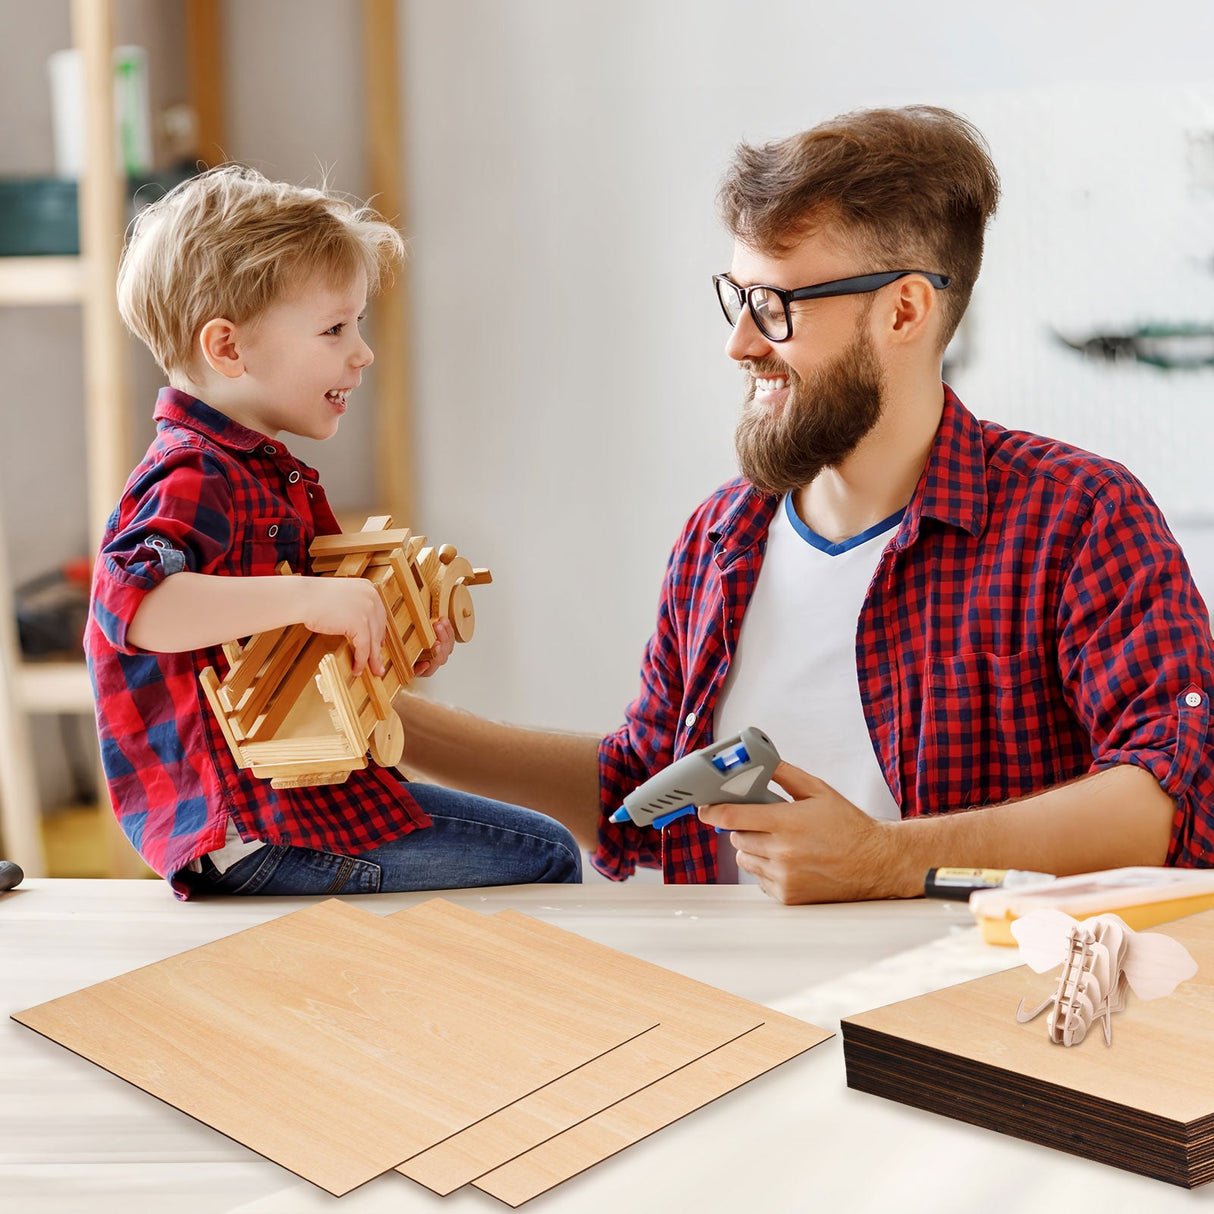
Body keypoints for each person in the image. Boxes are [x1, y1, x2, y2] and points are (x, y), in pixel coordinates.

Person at [394, 104, 1214, 903]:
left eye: (776, 306)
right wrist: (392, 720)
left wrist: (887, 860)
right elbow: (646, 796)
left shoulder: (1079, 518)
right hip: (719, 998)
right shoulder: (719, 537)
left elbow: (1166, 804)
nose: (740, 343)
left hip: (963, 996)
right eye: (738, 297)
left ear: (903, 311)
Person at [84, 165, 581, 899]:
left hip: (301, 806)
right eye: (334, 329)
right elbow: (134, 608)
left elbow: (299, 653)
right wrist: (309, 598)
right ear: (228, 349)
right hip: (253, 828)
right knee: (547, 855)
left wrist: (389, 644)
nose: (362, 352)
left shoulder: (264, 474)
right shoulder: (193, 473)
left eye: (358, 325)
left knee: (540, 848)